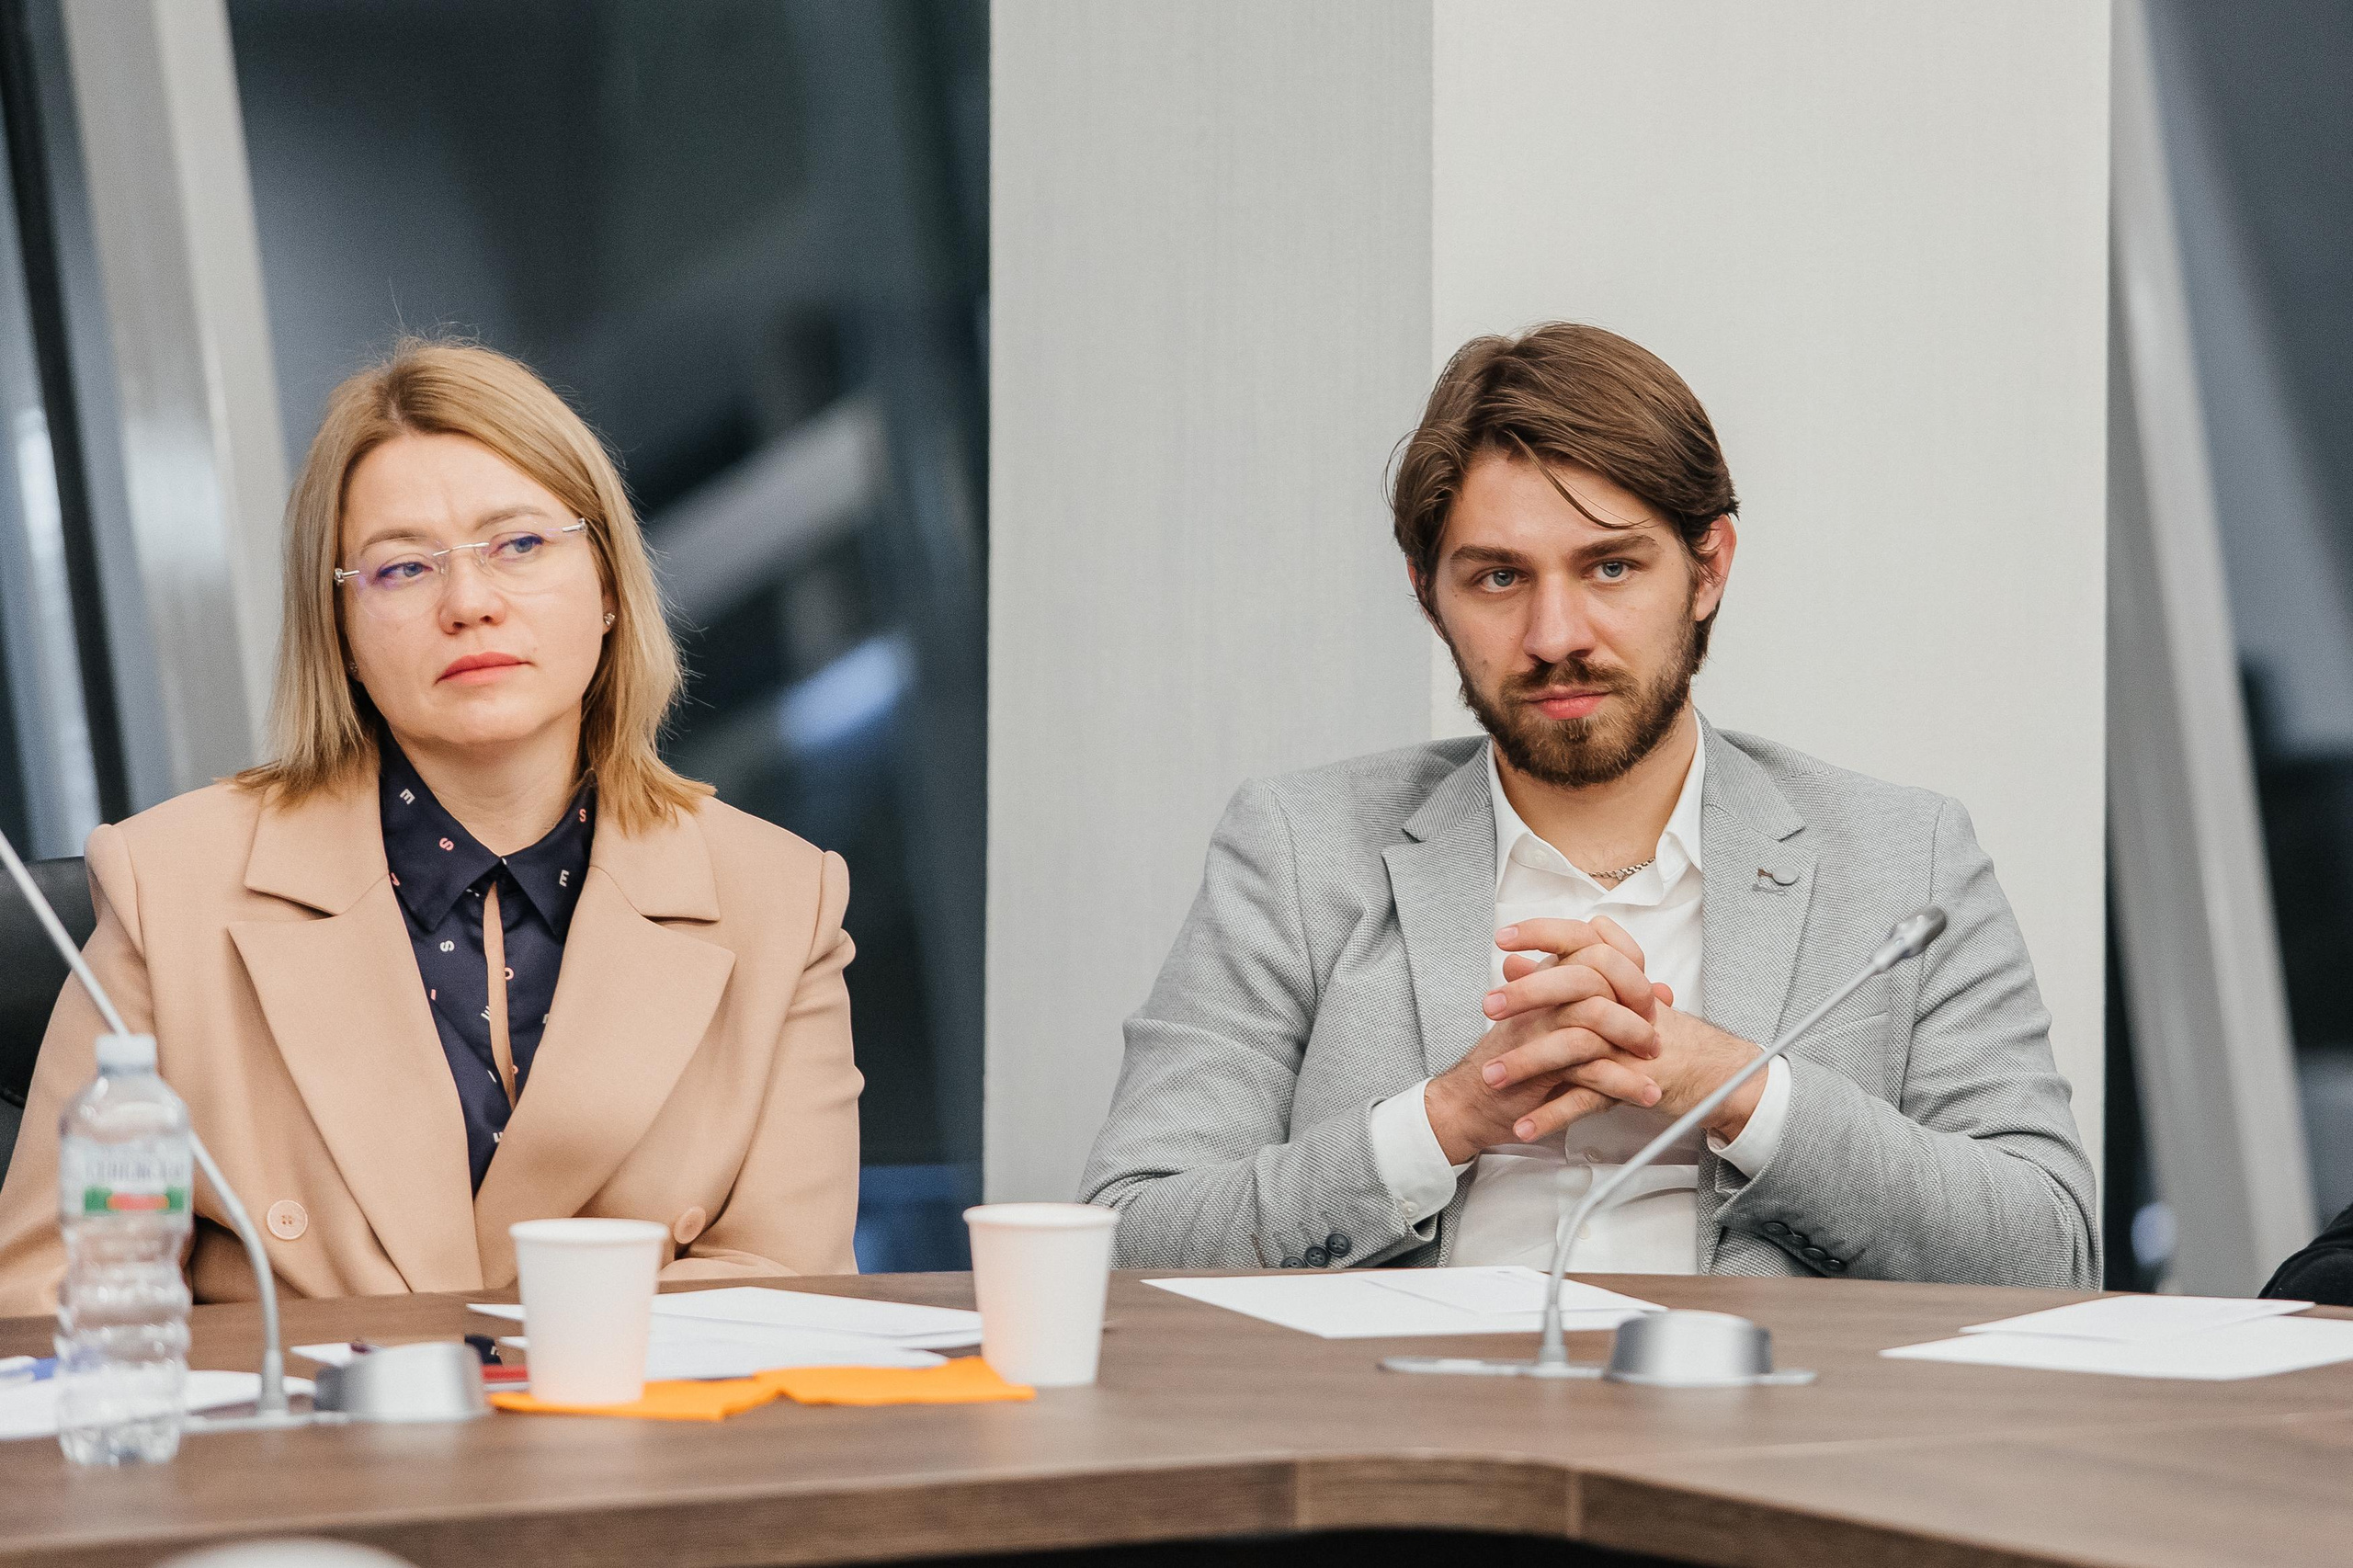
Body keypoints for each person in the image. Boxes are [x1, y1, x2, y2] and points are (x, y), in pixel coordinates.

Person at [1082, 324, 2097, 1284]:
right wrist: (1446, 1119)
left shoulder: (1905, 857)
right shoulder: (1300, 849)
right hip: (1415, 1399)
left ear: (1707, 569)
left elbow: (2050, 1251)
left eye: (1610, 566)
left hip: (1753, 1402)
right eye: (1498, 578)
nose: (1554, 634)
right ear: (1429, 595)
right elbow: (1131, 1241)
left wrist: (1733, 1087)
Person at [0, 340, 861, 1312]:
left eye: (520, 545)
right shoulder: (170, 888)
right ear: (340, 634)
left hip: (636, 1414)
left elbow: (791, 1290)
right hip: (307, 1413)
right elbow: (51, 1298)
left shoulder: (780, 901)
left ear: (611, 588)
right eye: (403, 567)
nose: (470, 604)